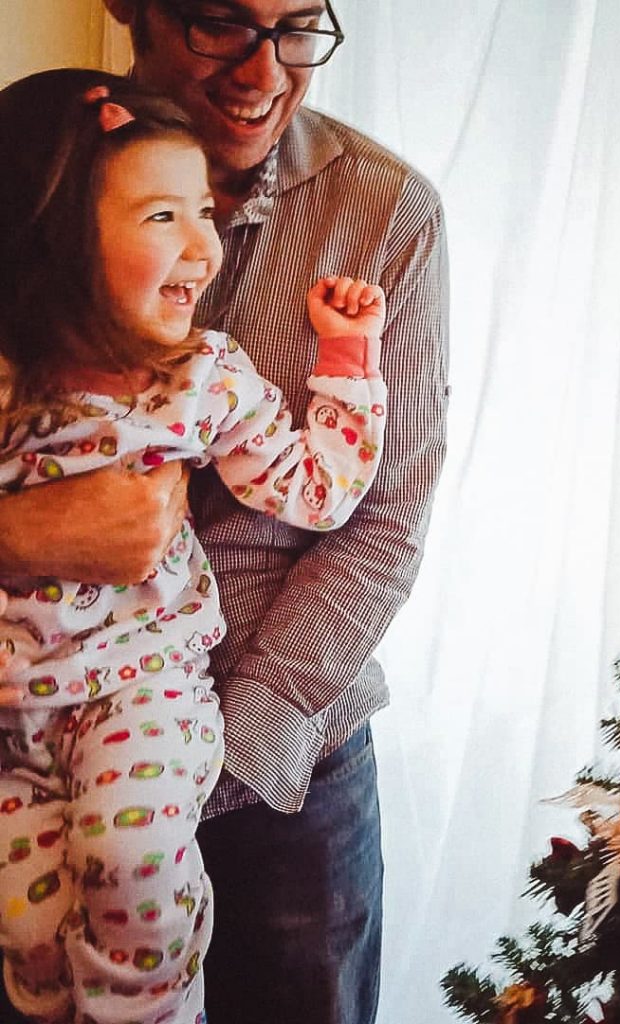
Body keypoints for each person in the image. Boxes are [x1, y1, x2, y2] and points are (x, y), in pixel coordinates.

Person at [0, 1, 450, 1021]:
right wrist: (28, 531)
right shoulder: (27, 190)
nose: (263, 70)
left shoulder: (386, 215)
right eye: (218, 23)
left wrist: (225, 751)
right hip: (26, 719)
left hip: (282, 756)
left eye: (298, 26)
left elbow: (376, 521)